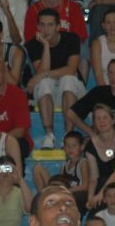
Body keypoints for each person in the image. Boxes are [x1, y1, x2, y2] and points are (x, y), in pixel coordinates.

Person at [26, 8, 84, 150]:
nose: (46, 29)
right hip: (49, 94)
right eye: (42, 25)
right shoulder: (33, 44)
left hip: (72, 92)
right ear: (38, 27)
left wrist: (41, 75)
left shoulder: (71, 38)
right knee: (45, 83)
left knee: (67, 79)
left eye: (50, 25)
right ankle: (49, 135)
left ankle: (68, 135)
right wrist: (45, 46)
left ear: (58, 26)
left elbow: (71, 69)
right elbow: (42, 71)